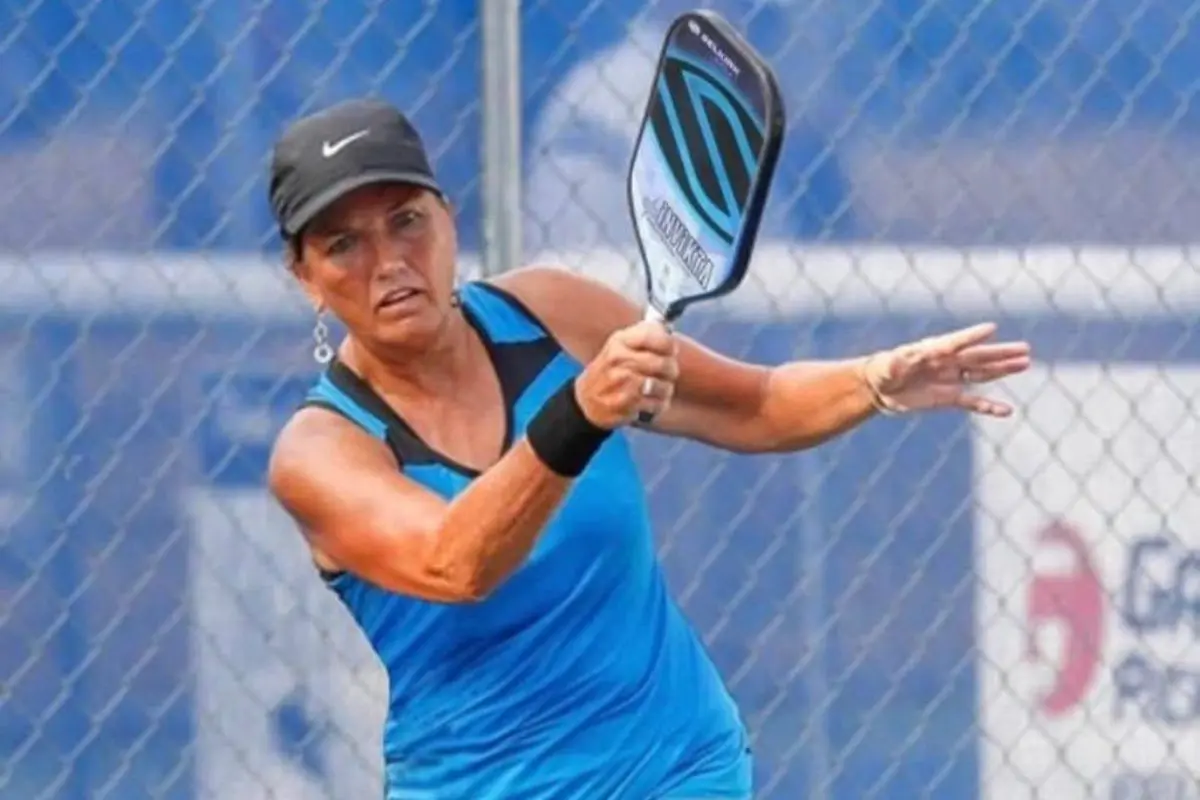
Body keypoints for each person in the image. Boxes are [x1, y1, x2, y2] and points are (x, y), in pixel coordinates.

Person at [265, 98, 1031, 800]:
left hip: (679, 768)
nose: (388, 260)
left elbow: (755, 405)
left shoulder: (551, 312)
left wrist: (874, 381)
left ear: (449, 219)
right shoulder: (318, 455)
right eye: (343, 244)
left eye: (406, 220)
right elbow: (454, 563)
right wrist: (578, 414)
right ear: (306, 279)